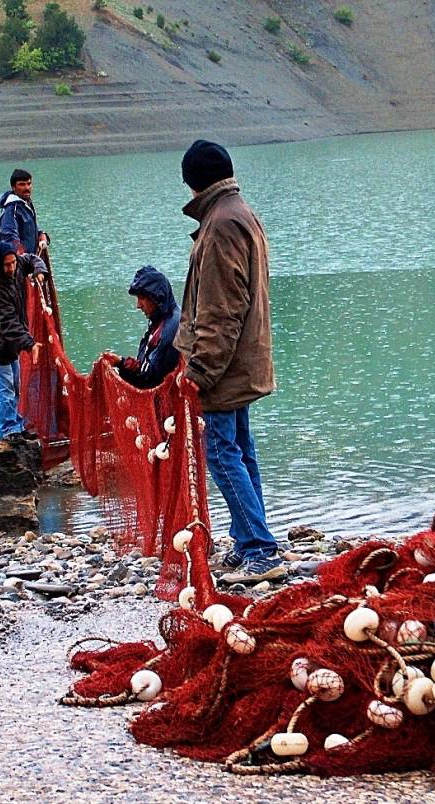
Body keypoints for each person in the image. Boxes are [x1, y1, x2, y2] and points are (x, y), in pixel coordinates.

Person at [173, 139, 283, 584]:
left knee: (222, 453)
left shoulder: (220, 225)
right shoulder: (240, 213)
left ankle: (260, 547)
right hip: (242, 360)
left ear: (194, 183)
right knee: (240, 450)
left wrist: (199, 372)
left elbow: (220, 311)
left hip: (224, 367)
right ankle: (248, 538)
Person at [0, 240, 48, 439]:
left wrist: (39, 271)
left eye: (13, 263)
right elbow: (8, 324)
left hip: (9, 345)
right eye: (7, 265)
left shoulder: (17, 265)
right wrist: (30, 344)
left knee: (15, 384)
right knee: (4, 388)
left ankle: (17, 425)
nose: (12, 268)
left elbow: (32, 259)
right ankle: (10, 431)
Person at [104, 265, 181, 389]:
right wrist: (120, 362)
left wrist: (122, 364)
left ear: (156, 297)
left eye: (142, 298)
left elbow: (149, 377)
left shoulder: (170, 329)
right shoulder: (162, 320)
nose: (138, 305)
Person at [0, 168, 50, 256]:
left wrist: (42, 236)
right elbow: (9, 236)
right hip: (18, 264)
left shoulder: (26, 203)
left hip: (30, 260)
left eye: (29, 184)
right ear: (13, 187)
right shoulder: (12, 208)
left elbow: (31, 228)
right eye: (22, 184)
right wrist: (24, 259)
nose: (27, 188)